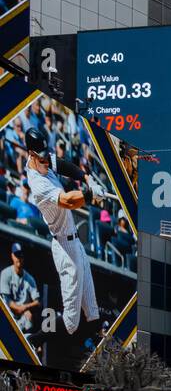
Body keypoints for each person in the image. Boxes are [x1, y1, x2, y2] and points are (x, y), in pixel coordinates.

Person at [24, 126, 101, 344]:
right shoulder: (37, 185)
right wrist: (89, 195)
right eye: (42, 157)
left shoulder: (43, 159)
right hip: (64, 248)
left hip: (75, 242)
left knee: (93, 312)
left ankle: (102, 361)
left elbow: (65, 166)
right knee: (70, 323)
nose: (47, 161)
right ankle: (33, 341)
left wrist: (88, 179)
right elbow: (68, 201)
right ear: (31, 154)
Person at [1, 242, 41, 346]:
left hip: (23, 320)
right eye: (16, 255)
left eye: (21, 255)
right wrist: (22, 308)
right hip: (8, 317)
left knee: (29, 317)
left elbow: (37, 302)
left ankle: (27, 345)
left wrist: (25, 308)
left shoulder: (29, 279)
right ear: (12, 256)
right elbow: (7, 301)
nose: (19, 258)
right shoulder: (6, 273)